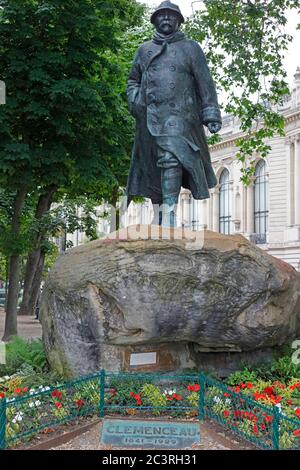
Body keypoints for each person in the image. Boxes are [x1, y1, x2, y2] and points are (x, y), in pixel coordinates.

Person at [126, 1, 222, 227]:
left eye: (171, 16)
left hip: (181, 116)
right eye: (162, 16)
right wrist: (136, 100)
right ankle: (160, 213)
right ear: (155, 20)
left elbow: (204, 83)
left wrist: (211, 114)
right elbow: (133, 80)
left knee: (172, 158)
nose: (166, 19)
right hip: (149, 116)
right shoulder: (144, 50)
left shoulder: (191, 48)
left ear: (178, 21)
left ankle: (169, 213)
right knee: (153, 165)